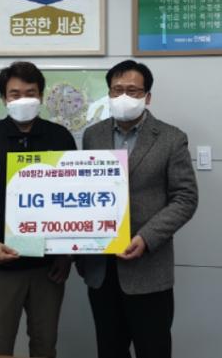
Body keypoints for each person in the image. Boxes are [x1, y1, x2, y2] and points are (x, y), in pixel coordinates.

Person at [0, 61, 76, 358]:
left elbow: (72, 200)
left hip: (48, 270)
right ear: (3, 99)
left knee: (45, 346)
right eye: (15, 94)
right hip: (0, 267)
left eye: (30, 93)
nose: (23, 100)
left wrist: (66, 254)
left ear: (41, 96)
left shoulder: (60, 138)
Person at [77, 60, 198, 358]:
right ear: (108, 94)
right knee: (109, 350)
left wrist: (146, 237)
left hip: (148, 270)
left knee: (153, 350)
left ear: (147, 96)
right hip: (101, 270)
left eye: (132, 91)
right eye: (116, 90)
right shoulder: (92, 135)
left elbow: (185, 198)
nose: (123, 97)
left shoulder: (171, 138)